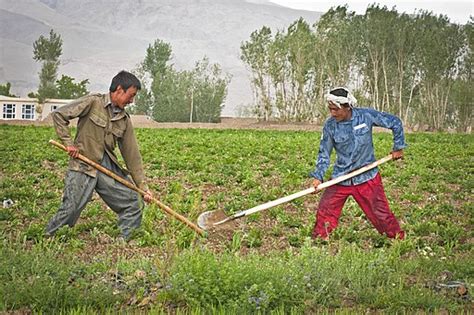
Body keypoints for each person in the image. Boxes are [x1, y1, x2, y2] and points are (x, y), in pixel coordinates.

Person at [45, 70, 153, 240]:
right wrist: (68, 143)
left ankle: (125, 240)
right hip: (83, 164)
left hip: (106, 167)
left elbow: (132, 156)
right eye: (131, 95)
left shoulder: (124, 120)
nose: (132, 100)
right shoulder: (93, 102)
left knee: (134, 201)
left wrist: (143, 188)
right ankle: (48, 237)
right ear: (119, 89)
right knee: (71, 207)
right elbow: (59, 115)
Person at [310, 87, 405, 240]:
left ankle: (397, 240)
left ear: (347, 107)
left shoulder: (365, 116)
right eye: (330, 109)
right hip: (341, 178)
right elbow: (324, 153)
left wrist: (398, 147)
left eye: (336, 110)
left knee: (381, 213)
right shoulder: (330, 126)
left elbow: (395, 122)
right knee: (325, 211)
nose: (332, 113)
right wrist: (318, 177)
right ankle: (320, 241)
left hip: (367, 177)